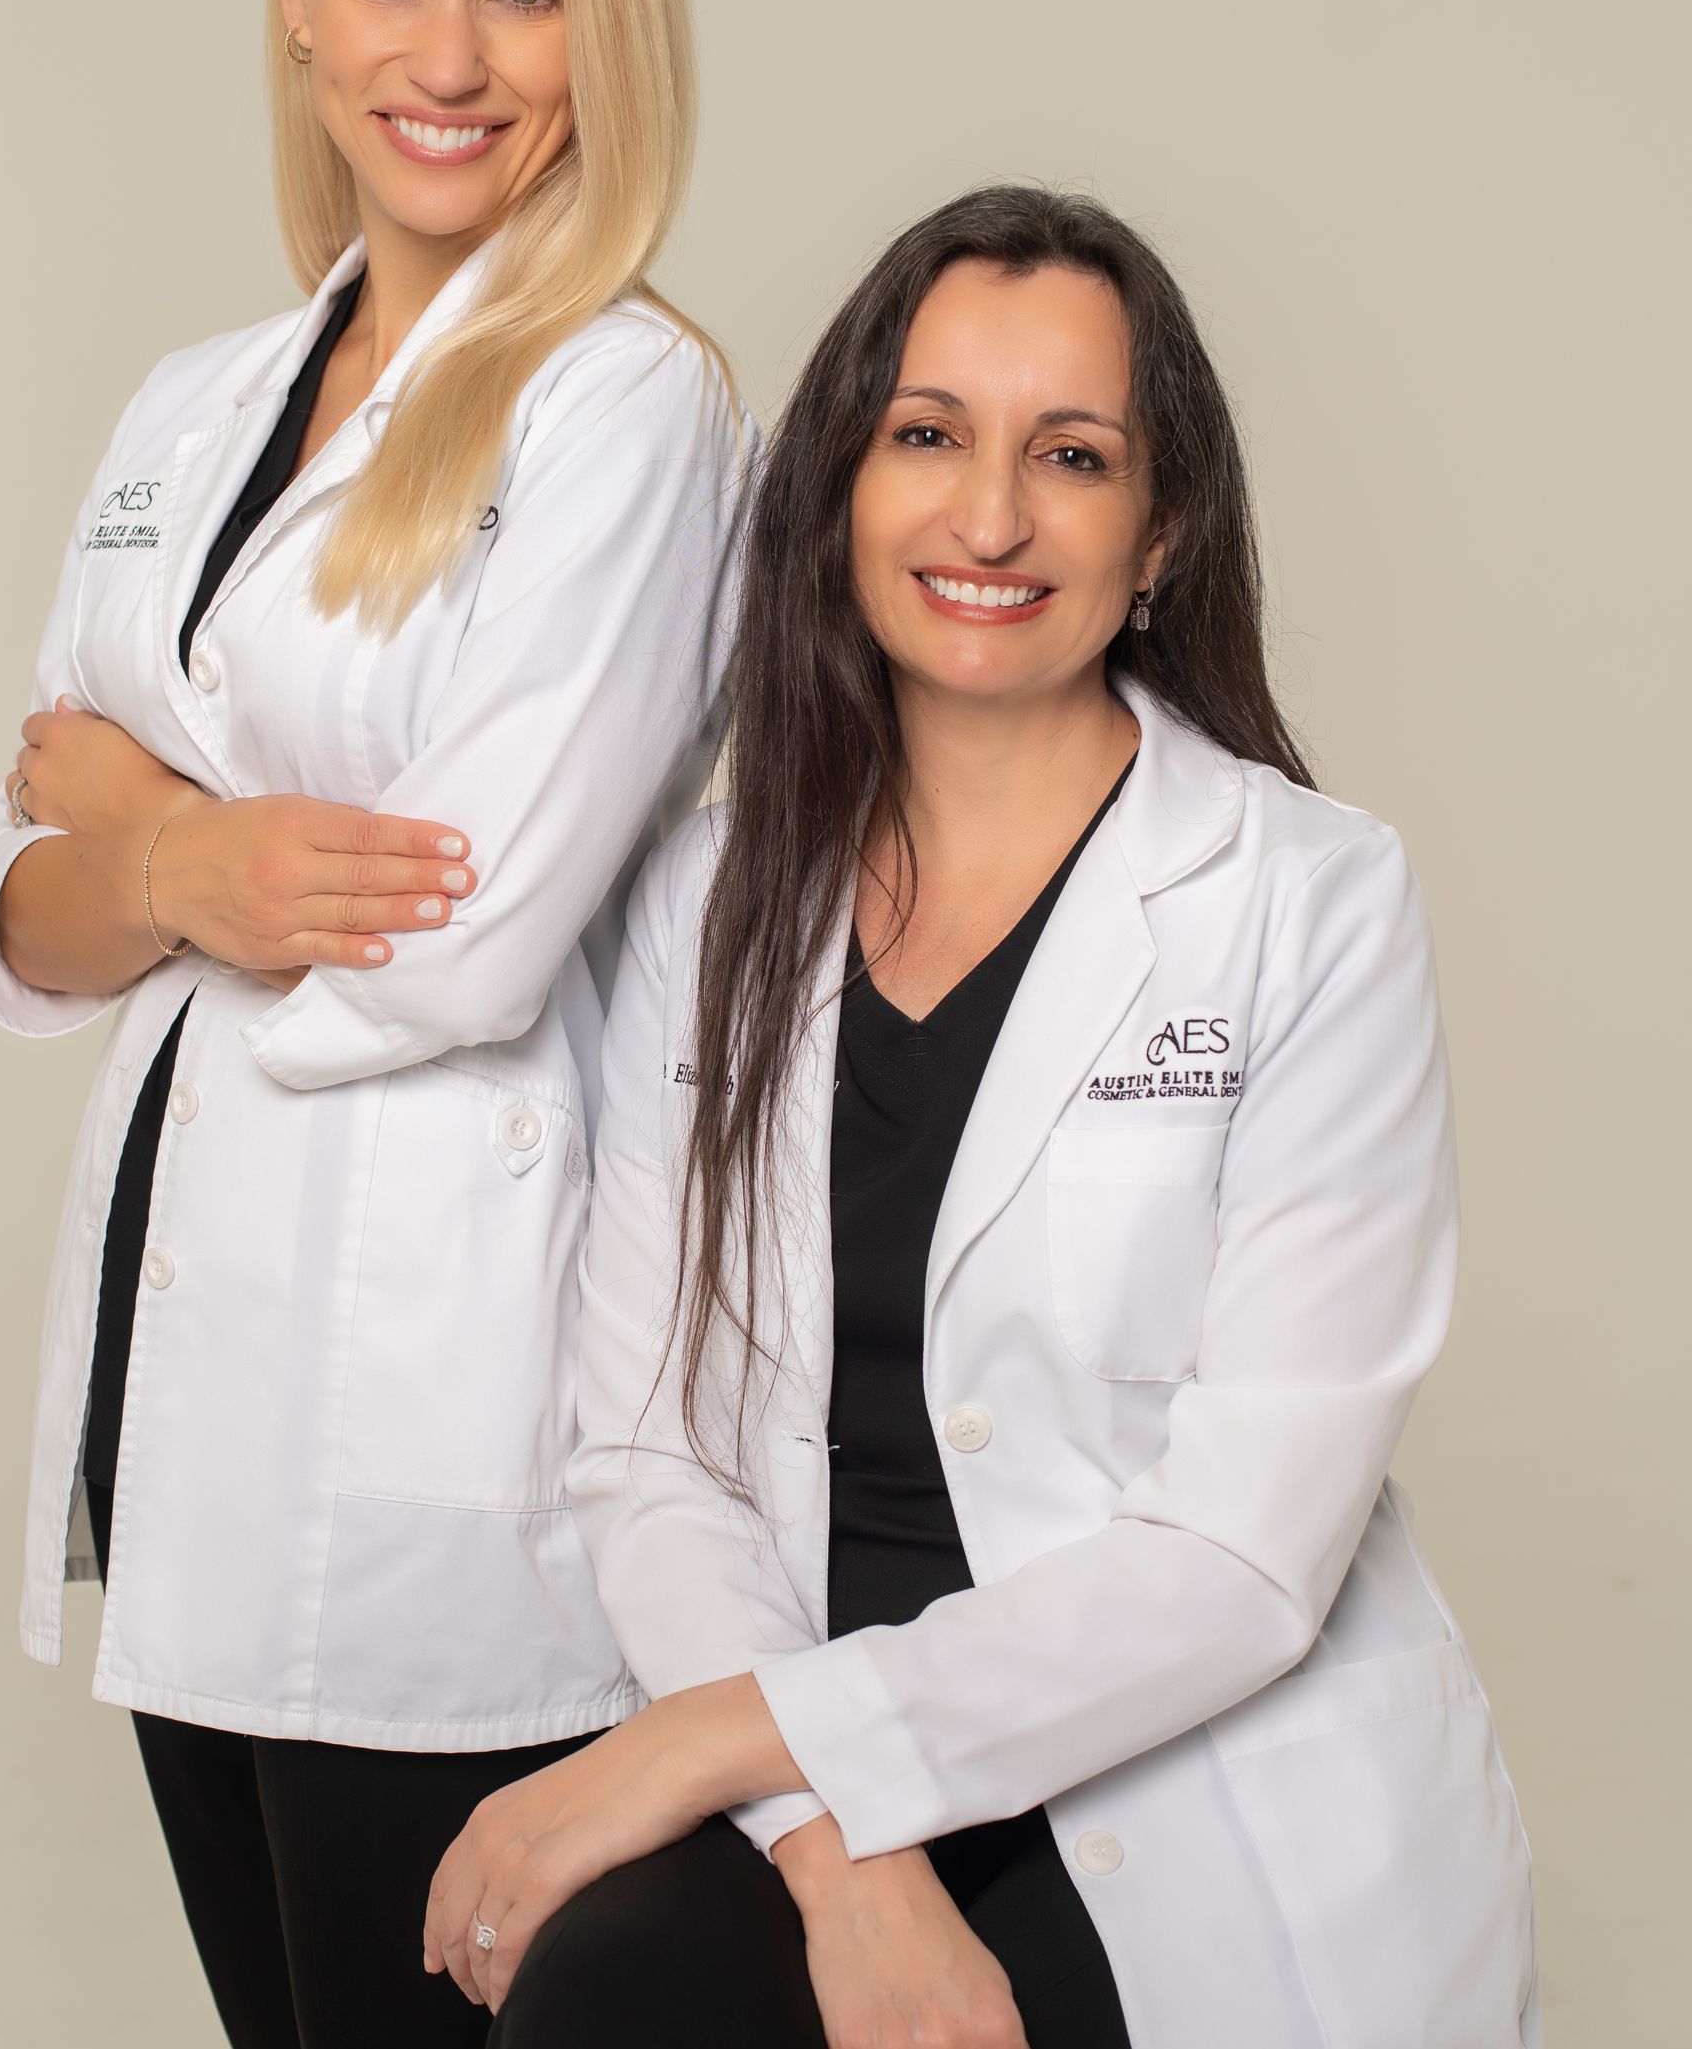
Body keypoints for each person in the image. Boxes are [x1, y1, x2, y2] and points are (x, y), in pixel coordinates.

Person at [423, 187, 1541, 2049]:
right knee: (606, 2004)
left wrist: (724, 1743)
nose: (992, 515)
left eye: (1074, 455)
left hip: (1182, 1772)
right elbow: (650, 1452)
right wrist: (834, 1840)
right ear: (845, 487)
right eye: (928, 435)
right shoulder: (705, 904)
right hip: (792, 1724)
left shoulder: (1309, 898)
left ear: (1162, 528)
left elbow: (1246, 1550)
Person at [0, 0, 749, 2049]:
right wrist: (175, 861)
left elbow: (466, 936)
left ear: (611, 28)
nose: (456, 52)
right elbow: (12, 902)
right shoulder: (192, 404)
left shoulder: (632, 403)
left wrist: (148, 838)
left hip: (426, 1425)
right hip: (175, 1381)